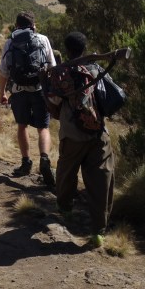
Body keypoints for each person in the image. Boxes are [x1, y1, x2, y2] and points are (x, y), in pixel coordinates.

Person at [45, 31, 114, 247]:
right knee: (101, 179)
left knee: (66, 172)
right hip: (98, 132)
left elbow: (53, 106)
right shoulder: (96, 68)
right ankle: (98, 230)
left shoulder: (61, 73)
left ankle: (65, 208)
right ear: (86, 49)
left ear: (67, 50)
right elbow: (110, 95)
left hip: (72, 133)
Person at [0, 11, 56, 184]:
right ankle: (44, 159)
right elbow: (52, 66)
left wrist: (2, 93)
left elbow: (3, 71)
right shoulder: (42, 39)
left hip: (19, 91)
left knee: (22, 126)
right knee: (43, 128)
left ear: (16, 25)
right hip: (39, 90)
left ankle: (26, 163)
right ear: (33, 25)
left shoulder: (10, 42)